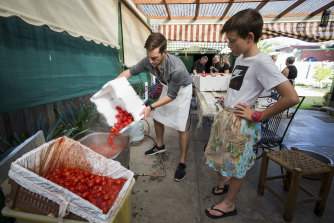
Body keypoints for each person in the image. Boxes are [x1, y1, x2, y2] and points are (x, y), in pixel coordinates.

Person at [203, 9, 299, 219]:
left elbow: (291, 97)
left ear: (250, 37)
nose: (229, 46)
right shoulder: (240, 58)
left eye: (232, 41)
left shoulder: (262, 62)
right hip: (227, 116)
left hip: (241, 123)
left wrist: (258, 115)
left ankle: (229, 204)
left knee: (236, 165)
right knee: (219, 154)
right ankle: (223, 183)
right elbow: (239, 88)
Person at [117, 33, 192, 182]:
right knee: (157, 117)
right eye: (149, 57)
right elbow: (129, 72)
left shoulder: (176, 68)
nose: (150, 62)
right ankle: (159, 145)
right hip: (168, 87)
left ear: (164, 52)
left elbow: (172, 96)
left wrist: (150, 106)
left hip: (182, 91)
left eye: (154, 58)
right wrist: (113, 84)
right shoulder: (149, 60)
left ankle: (182, 162)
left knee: (181, 127)